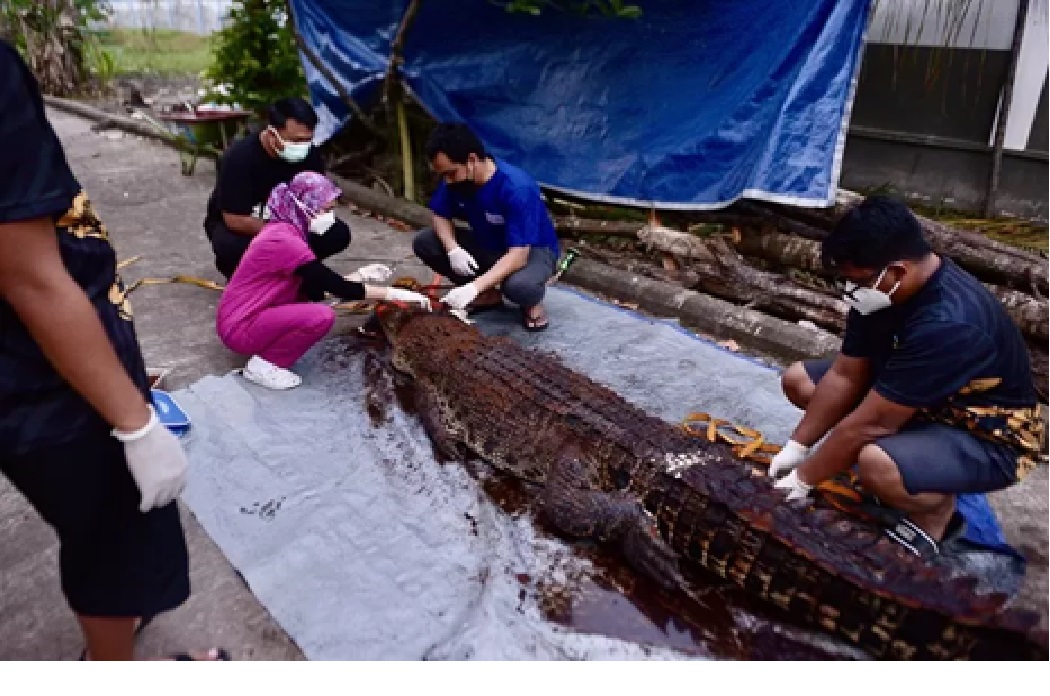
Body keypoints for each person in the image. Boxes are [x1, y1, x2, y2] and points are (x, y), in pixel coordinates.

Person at [0, 39, 226, 661]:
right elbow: (29, 277)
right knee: (113, 536)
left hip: (51, 356)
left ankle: (116, 629)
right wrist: (132, 422)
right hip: (49, 373)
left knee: (99, 536)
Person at [768, 196, 1044, 557]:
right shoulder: (878, 293)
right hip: (921, 401)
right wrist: (797, 447)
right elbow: (846, 373)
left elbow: (872, 423)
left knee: (876, 461)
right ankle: (907, 460)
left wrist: (802, 480)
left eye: (856, 281)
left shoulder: (949, 324)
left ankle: (933, 513)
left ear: (896, 271)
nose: (850, 291)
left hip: (986, 433)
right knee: (800, 381)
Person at [216, 171, 432, 390]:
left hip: (248, 314)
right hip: (241, 326)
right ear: (304, 206)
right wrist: (391, 294)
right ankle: (264, 365)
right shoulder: (283, 241)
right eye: (326, 210)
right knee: (321, 317)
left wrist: (360, 277)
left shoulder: (288, 230)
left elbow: (317, 285)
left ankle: (266, 350)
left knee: (309, 303)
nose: (330, 217)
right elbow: (333, 285)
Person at [412, 123, 560, 331]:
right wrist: (453, 249)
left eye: (451, 173)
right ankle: (488, 295)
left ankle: (531, 303)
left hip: (531, 250)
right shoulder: (456, 182)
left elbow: (518, 255)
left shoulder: (516, 188)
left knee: (520, 287)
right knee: (426, 242)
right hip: (489, 243)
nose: (447, 180)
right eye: (444, 175)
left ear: (472, 160)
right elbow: (440, 214)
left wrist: (471, 287)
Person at [203, 96, 351, 282]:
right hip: (249, 226)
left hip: (295, 225)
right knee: (231, 247)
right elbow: (235, 219)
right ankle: (248, 275)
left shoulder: (310, 154)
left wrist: (323, 210)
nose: (302, 147)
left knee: (337, 233)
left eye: (307, 140)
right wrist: (285, 234)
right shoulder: (239, 158)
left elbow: (318, 198)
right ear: (273, 134)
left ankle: (297, 269)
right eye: (295, 141)